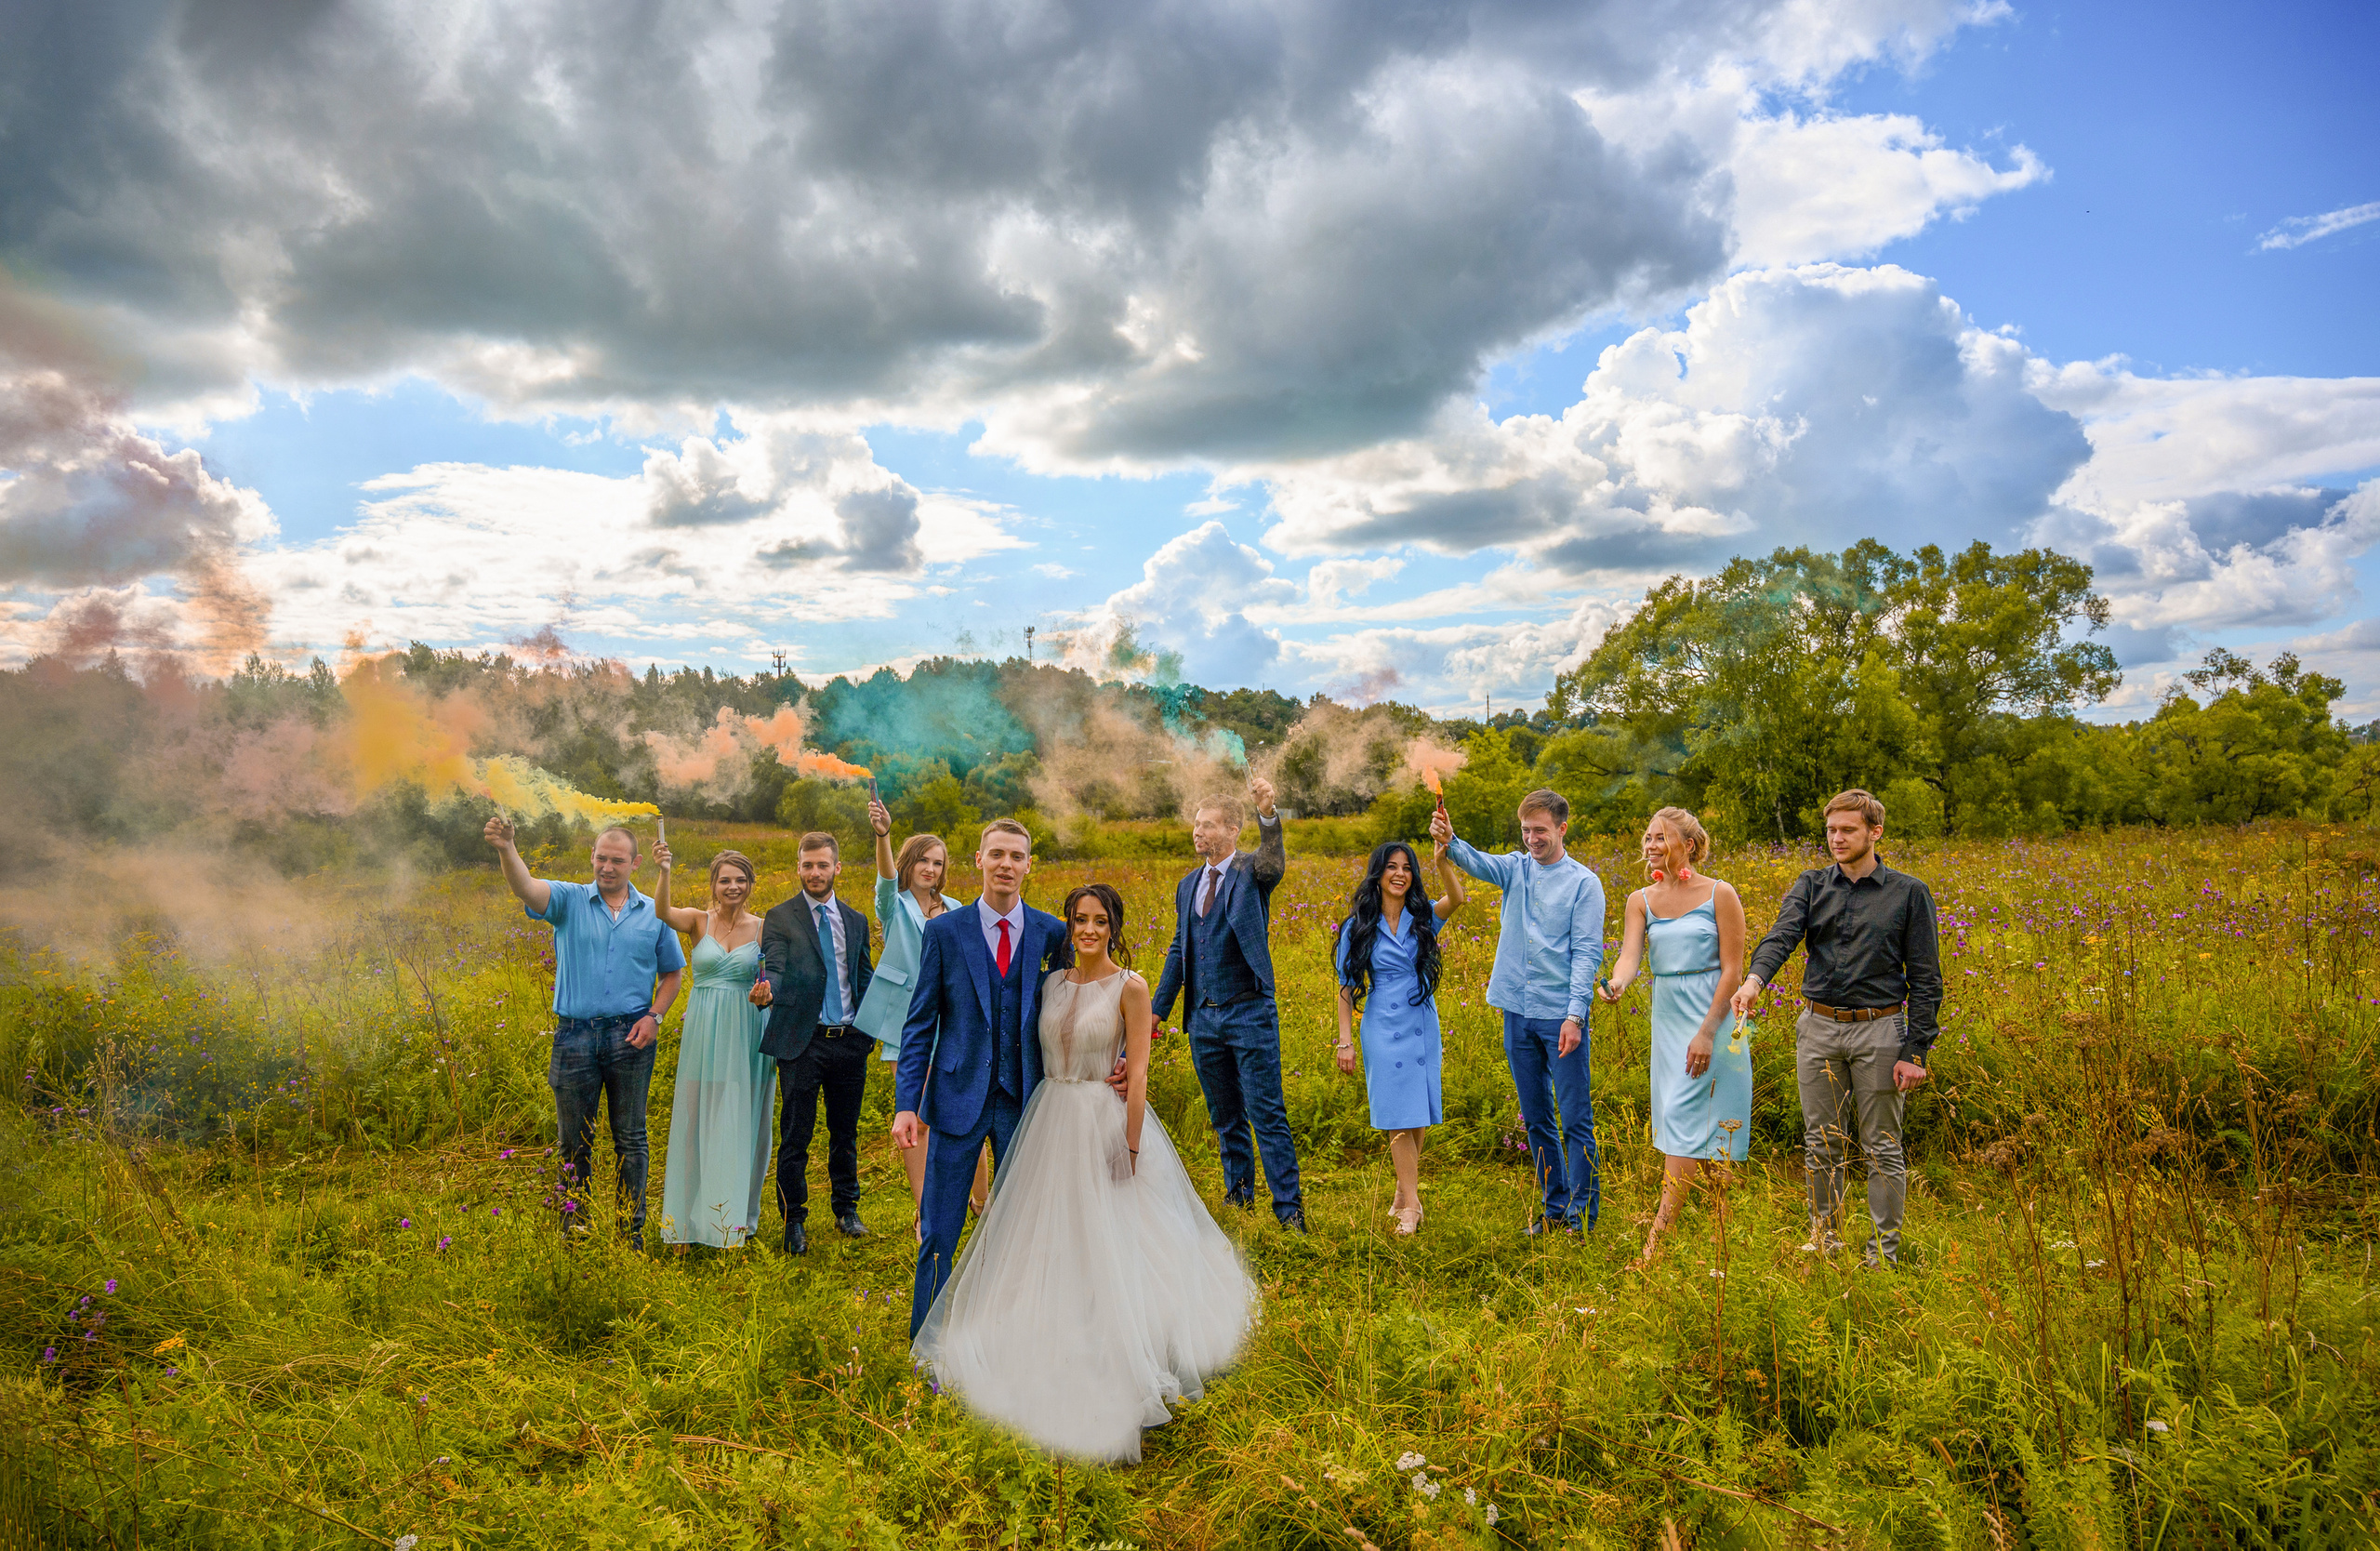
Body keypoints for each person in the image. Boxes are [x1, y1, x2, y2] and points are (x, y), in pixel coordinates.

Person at [913, 883, 1258, 1462]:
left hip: (1102, 1118)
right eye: (1080, 920)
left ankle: (1118, 1346)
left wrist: (1129, 1141)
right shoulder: (1051, 982)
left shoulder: (1133, 987)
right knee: (1047, 1236)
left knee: (1111, 1237)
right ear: (1068, 927)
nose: (1089, 930)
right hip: (1048, 1118)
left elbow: (1140, 1071)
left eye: (1100, 921)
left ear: (1113, 926)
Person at [1730, 789, 1941, 1268]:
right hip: (1819, 1027)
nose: (1837, 838)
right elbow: (1782, 936)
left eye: (1848, 830)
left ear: (1875, 832)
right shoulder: (1811, 885)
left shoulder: (1909, 893)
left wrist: (1916, 1050)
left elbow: (1927, 980)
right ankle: (1826, 1243)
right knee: (1821, 1141)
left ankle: (1883, 1255)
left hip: (1880, 1031)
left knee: (1882, 1145)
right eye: (1831, 830)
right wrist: (1755, 981)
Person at [892, 818, 1073, 1335]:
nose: (1006, 865)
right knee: (939, 1230)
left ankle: (1013, 1334)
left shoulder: (1050, 933)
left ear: (1029, 865)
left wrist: (1117, 1059)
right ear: (978, 860)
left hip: (1025, 1099)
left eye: (1016, 856)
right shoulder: (945, 931)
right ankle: (925, 1342)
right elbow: (920, 1023)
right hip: (955, 1098)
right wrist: (908, 1104)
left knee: (1025, 1226)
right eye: (997, 854)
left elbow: (1078, 1005)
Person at [484, 817, 684, 1250]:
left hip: (631, 1036)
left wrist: (655, 1016)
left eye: (617, 860)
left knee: (631, 1139)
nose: (607, 867)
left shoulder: (655, 912)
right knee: (573, 1142)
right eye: (600, 858)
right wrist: (507, 848)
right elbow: (527, 888)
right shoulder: (569, 900)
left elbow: (673, 973)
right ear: (591, 858)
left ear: (634, 863)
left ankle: (628, 1231)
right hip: (574, 1037)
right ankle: (575, 1233)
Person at [1437, 789, 1607, 1235]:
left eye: (1541, 831)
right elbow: (1477, 861)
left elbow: (1588, 954)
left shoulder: (1584, 883)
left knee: (1575, 1120)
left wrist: (1575, 1016)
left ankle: (1581, 1219)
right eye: (1527, 830)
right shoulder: (1515, 869)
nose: (1533, 838)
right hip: (1517, 1011)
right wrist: (1451, 839)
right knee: (1536, 1119)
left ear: (1562, 828)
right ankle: (1553, 1211)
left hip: (1560, 1017)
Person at [1150, 776, 1304, 1231]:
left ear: (1234, 831)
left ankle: (1289, 1212)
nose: (1199, 832)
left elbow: (1274, 862)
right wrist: (1158, 1010)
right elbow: (1180, 949)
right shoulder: (1186, 886)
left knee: (1266, 1113)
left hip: (1249, 1011)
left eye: (1210, 825)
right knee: (1225, 1116)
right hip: (1202, 1018)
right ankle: (1239, 1200)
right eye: (1197, 824)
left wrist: (1269, 814)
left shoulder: (1252, 872)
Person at [1597, 808, 1749, 1264]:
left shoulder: (1720, 894)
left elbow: (1734, 969)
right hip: (1668, 1017)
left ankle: (1659, 1242)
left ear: (1689, 844)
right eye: (1648, 837)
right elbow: (1629, 957)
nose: (1651, 845)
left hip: (1713, 1015)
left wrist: (1708, 1033)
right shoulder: (1640, 899)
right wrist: (1618, 982)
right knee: (1684, 1123)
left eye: (1661, 837)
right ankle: (1712, 1234)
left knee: (1710, 1126)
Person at [850, 797, 988, 1238]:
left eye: (938, 862)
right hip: (905, 1024)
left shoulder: (956, 906)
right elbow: (886, 877)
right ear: (910, 863)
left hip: (955, 1025)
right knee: (919, 1119)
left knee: (968, 1109)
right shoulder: (894, 905)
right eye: (923, 861)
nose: (930, 869)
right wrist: (883, 835)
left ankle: (982, 1203)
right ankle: (927, 1210)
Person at [1333, 838, 1468, 1236]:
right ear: (1378, 873)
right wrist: (1345, 1041)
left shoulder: (1423, 916)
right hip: (1380, 1025)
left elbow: (1457, 897)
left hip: (1421, 1022)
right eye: (1392, 866)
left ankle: (1401, 1192)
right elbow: (1345, 988)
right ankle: (1412, 1206)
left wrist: (1442, 862)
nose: (1400, 874)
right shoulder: (1357, 926)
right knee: (1396, 1113)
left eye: (1407, 868)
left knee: (1418, 1110)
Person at [755, 831, 876, 1255]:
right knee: (796, 1135)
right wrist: (767, 988)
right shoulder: (781, 916)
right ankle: (794, 1221)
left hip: (849, 1042)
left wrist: (871, 1029)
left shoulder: (855, 920)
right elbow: (775, 965)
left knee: (845, 1132)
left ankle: (847, 1209)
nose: (815, 873)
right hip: (802, 1042)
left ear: (837, 868)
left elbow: (863, 978)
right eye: (808, 865)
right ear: (799, 867)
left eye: (823, 865)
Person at [650, 843, 774, 1250]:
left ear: (751, 884)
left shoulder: (763, 928)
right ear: (714, 884)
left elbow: (774, 977)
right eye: (725, 880)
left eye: (740, 880)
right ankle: (684, 1224)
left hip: (745, 1030)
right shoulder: (697, 921)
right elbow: (662, 912)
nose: (733, 887)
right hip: (704, 1029)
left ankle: (729, 1221)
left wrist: (767, 993)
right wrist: (665, 869)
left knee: (737, 1119)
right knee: (694, 1115)